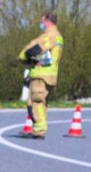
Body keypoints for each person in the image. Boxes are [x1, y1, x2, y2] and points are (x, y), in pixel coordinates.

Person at [18, 11, 63, 139]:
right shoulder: (59, 36)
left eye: (42, 22)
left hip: (41, 75)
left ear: (48, 22)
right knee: (41, 104)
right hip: (50, 75)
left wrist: (24, 56)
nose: (41, 24)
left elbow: (34, 50)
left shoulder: (49, 36)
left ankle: (39, 131)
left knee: (36, 103)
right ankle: (38, 129)